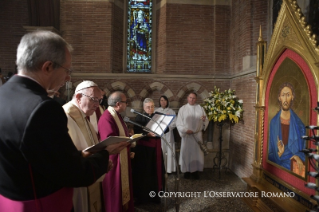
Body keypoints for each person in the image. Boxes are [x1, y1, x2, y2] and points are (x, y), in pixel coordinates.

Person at [0, 30, 128, 212]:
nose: (68, 77)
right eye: (67, 70)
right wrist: (105, 155)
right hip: (41, 203)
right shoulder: (43, 108)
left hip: (9, 200)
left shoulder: (3, 94)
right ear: (48, 67)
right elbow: (71, 172)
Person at [63, 80, 109, 212]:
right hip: (76, 183)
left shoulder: (84, 116)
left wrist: (102, 162)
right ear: (78, 97)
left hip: (87, 177)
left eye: (99, 100)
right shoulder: (65, 117)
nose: (97, 105)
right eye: (94, 99)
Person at [98, 91, 134, 212]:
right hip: (114, 162)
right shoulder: (107, 118)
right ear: (118, 104)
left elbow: (119, 135)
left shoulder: (116, 115)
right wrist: (129, 141)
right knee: (115, 191)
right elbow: (110, 142)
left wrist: (128, 137)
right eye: (125, 102)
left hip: (122, 158)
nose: (127, 104)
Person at [132, 98, 167, 204]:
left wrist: (164, 126)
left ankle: (155, 196)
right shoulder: (139, 117)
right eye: (148, 107)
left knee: (156, 173)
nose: (150, 108)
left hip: (156, 150)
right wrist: (146, 134)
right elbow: (137, 133)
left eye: (152, 106)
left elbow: (166, 129)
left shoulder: (157, 117)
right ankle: (143, 197)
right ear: (144, 108)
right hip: (144, 151)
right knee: (145, 174)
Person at [268, 83, 306, 176]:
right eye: (283, 95)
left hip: (294, 164)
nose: (285, 99)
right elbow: (268, 153)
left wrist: (297, 156)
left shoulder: (300, 125)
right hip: (277, 166)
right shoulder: (273, 123)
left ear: (292, 97)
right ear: (279, 97)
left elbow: (305, 150)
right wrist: (279, 153)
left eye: (288, 95)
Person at [176, 92, 208, 180]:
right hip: (187, 136)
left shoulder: (200, 108)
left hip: (197, 135)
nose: (192, 99)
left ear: (196, 99)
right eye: (190, 97)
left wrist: (205, 120)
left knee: (197, 154)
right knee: (187, 153)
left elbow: (206, 120)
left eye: (194, 98)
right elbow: (178, 123)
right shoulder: (183, 109)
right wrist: (186, 130)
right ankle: (186, 171)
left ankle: (195, 171)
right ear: (187, 98)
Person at [155, 95, 177, 173]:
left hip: (169, 134)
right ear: (159, 102)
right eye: (161, 100)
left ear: (167, 101)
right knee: (161, 150)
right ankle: (160, 169)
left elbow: (174, 122)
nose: (163, 102)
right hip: (159, 134)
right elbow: (154, 122)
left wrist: (168, 127)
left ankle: (169, 169)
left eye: (164, 100)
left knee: (169, 151)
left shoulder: (171, 111)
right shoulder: (156, 111)